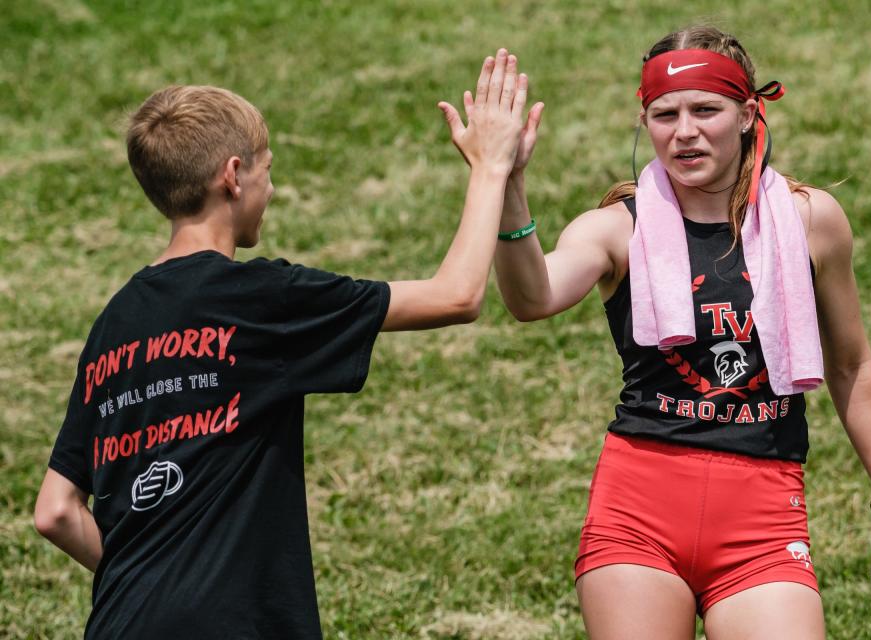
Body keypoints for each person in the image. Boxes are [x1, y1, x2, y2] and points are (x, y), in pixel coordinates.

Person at [34, 49, 530, 639]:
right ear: (233, 174)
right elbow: (456, 295)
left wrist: (145, 582)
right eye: (268, 170)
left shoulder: (113, 325)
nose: (272, 187)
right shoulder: (259, 299)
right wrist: (490, 168)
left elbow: (56, 511)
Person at [487, 26, 871, 639]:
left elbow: (853, 366)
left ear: (749, 113)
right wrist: (507, 186)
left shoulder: (811, 222)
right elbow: (531, 297)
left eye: (706, 109)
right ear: (644, 121)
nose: (684, 131)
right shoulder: (618, 229)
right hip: (637, 508)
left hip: (764, 515)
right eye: (664, 114)